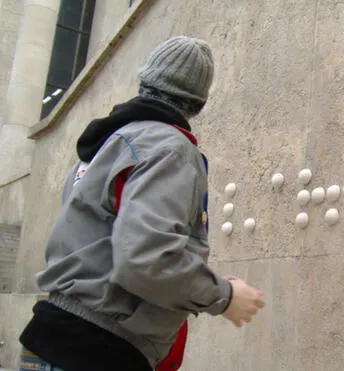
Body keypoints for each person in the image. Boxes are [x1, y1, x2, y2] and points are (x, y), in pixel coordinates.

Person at [18, 36, 265, 371]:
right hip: (97, 352)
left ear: (145, 80)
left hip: (51, 343)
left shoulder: (102, 151)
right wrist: (225, 297)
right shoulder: (168, 148)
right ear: (199, 101)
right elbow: (146, 258)